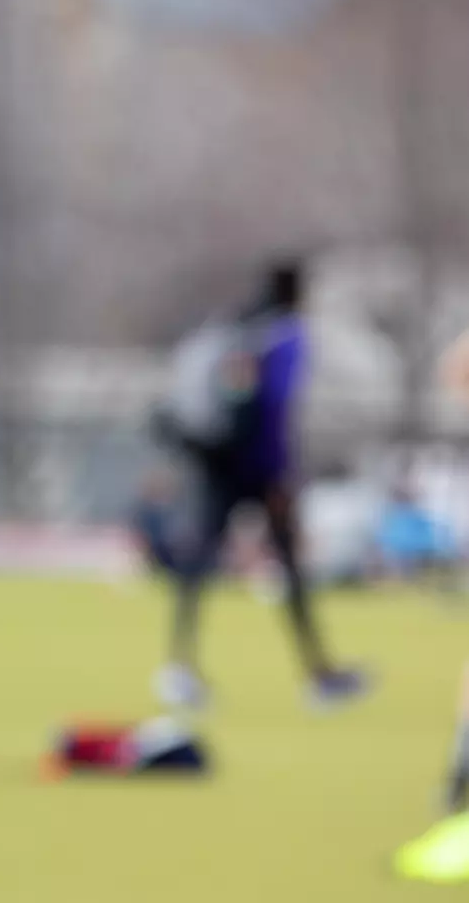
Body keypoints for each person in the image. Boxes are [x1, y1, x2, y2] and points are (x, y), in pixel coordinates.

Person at [156, 261, 366, 711]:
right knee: (289, 570)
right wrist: (279, 475)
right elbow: (274, 412)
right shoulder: (286, 337)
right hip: (257, 468)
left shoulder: (238, 329)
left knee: (199, 565)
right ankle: (318, 673)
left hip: (218, 462)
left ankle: (179, 667)